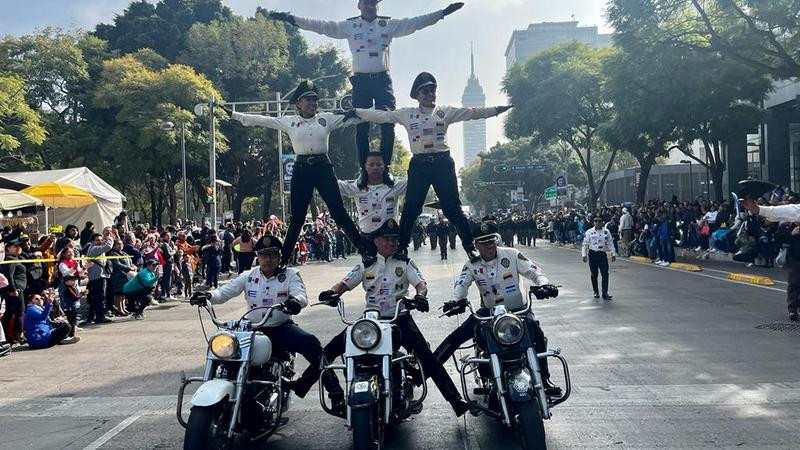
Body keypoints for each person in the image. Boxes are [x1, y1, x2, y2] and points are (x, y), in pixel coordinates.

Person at [269, 1, 465, 188]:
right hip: (361, 82)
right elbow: (321, 26)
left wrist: (442, 13)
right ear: (359, 5)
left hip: (382, 81)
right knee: (360, 124)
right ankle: (364, 170)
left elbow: (415, 23)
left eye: (373, 2)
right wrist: (291, 19)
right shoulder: (350, 26)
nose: (370, 6)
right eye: (366, 2)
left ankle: (385, 168)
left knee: (388, 124)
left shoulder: (388, 24)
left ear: (377, 5)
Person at [348, 72, 512, 261]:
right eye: (425, 91)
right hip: (419, 165)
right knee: (410, 208)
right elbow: (383, 116)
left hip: (443, 164)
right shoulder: (407, 114)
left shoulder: (446, 111)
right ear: (417, 95)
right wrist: (358, 112)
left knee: (452, 209)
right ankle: (402, 248)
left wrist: (497, 110)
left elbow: (474, 113)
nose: (429, 94)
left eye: (432, 91)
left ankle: (469, 246)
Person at [317, 218, 471, 417]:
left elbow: (421, 284)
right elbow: (344, 283)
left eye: (393, 239)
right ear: (376, 241)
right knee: (329, 350)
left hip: (400, 318)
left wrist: (420, 297)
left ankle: (455, 399)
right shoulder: (366, 265)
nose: (391, 243)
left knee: (427, 357)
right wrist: (332, 292)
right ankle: (314, 389)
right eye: (386, 239)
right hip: (371, 322)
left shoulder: (405, 263)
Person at [222, 80, 367, 267]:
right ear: (298, 103)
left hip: (323, 167)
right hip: (301, 169)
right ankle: (284, 258)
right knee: (297, 218)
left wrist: (374, 111)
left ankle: (364, 249)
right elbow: (264, 120)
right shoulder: (290, 121)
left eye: (315, 100)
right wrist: (235, 115)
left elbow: (355, 117)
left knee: (338, 212)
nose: (312, 104)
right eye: (308, 100)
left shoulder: (326, 119)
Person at [191, 235, 343, 408]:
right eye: (264, 255)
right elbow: (226, 291)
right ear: (258, 257)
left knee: (311, 344)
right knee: (223, 352)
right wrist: (208, 296)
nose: (268, 259)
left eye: (272, 255)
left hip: (280, 328)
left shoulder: (290, 275)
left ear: (279, 257)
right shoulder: (249, 275)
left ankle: (335, 392)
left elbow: (301, 295)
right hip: (252, 329)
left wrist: (294, 302)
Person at [434, 218, 562, 396]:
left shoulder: (512, 254)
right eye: (484, 243)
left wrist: (545, 284)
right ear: (476, 245)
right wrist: (455, 302)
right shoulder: (472, 265)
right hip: (489, 313)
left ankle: (545, 379)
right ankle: (425, 370)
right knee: (456, 337)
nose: (489, 246)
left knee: (537, 335)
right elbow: (461, 285)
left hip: (518, 311)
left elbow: (534, 271)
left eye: (491, 241)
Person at [338, 151, 408, 259]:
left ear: (384, 167)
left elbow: (416, 181)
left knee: (395, 271)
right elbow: (332, 184)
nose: (375, 167)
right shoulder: (356, 187)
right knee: (370, 273)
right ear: (365, 167)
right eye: (371, 164)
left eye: (379, 164)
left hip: (390, 239)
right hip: (367, 240)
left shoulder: (395, 185)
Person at [742, 195, 800, 320]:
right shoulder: (787, 225)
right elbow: (783, 211)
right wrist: (757, 209)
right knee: (794, 284)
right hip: (795, 258)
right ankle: (793, 309)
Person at [84, 229, 115, 324]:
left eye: (101, 240)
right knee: (100, 297)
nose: (100, 241)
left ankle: (91, 317)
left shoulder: (97, 247)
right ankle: (100, 317)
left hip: (99, 275)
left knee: (96, 297)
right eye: (97, 240)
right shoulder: (94, 249)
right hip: (97, 276)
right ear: (92, 241)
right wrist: (109, 237)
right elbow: (108, 246)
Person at [581, 216, 617, 300]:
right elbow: (585, 244)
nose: (597, 223)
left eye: (599, 222)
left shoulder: (606, 231)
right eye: (595, 221)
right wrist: (584, 254)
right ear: (593, 223)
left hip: (602, 254)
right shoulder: (589, 232)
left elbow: (610, 243)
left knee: (605, 273)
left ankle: (605, 292)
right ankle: (596, 291)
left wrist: (613, 253)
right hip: (593, 254)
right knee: (594, 274)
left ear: (602, 223)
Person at [0, 238, 27, 344]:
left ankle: (8, 336)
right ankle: (19, 334)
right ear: (8, 249)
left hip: (16, 288)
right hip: (15, 289)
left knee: (10, 311)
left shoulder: (15, 258)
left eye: (19, 246)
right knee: (20, 312)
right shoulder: (10, 259)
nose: (18, 248)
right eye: (15, 246)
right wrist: (13, 289)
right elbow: (9, 276)